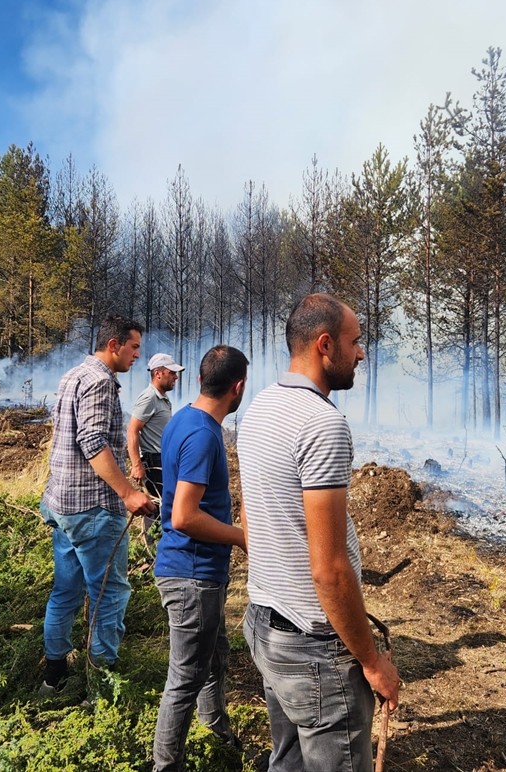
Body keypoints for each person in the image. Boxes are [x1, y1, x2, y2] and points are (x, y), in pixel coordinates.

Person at [236, 294, 400, 772]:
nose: (362, 353)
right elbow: (329, 570)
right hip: (313, 650)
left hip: (266, 625)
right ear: (325, 345)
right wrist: (371, 662)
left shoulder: (260, 409)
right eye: (356, 342)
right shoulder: (323, 424)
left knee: (286, 762)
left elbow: (252, 516)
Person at [39, 315, 155, 697]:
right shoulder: (101, 382)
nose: (139, 354)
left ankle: (53, 677)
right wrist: (128, 493)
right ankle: (101, 686)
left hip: (62, 503)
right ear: (113, 344)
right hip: (91, 508)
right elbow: (91, 442)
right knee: (109, 594)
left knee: (66, 591)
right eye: (134, 347)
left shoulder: (72, 375)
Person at [152, 345, 249, 772]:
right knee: (185, 679)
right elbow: (185, 516)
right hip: (191, 575)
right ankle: (165, 765)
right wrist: (242, 537)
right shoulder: (204, 436)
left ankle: (218, 735)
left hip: (197, 572)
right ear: (238, 387)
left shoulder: (182, 420)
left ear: (198, 380)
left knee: (214, 658)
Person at [128, 352, 185, 503]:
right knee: (157, 508)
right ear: (158, 374)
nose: (176, 377)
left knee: (165, 507)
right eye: (172, 373)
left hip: (163, 461)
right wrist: (136, 465)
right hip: (154, 463)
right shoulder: (149, 397)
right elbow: (133, 429)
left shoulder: (162, 398)